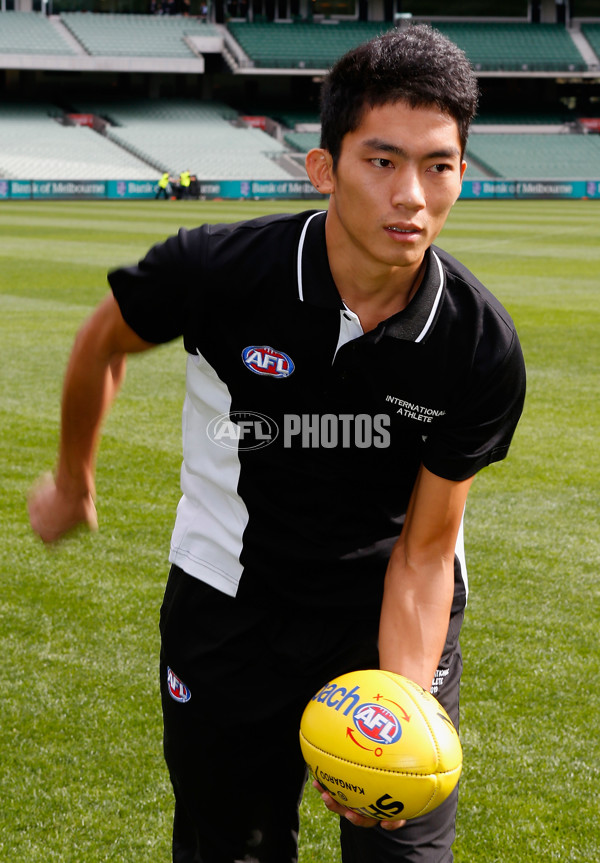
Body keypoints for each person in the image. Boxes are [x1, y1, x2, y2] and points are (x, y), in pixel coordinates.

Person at [28, 24, 526, 863]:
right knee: (233, 847)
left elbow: (427, 551)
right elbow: (102, 343)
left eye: (439, 165)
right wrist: (76, 477)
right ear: (324, 167)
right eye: (382, 160)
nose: (412, 194)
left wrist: (395, 716)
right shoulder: (220, 271)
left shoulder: (477, 346)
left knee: (399, 853)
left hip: (387, 606)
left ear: (462, 176)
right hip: (231, 600)